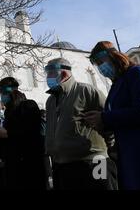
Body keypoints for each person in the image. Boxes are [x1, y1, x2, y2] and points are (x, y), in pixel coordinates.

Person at [84, 41, 140, 189]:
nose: (100, 68)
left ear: (113, 55)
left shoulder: (137, 74)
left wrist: (104, 118)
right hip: (129, 157)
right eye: (97, 65)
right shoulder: (116, 84)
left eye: (101, 62)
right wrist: (101, 123)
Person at [44, 58, 117, 190]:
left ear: (64, 74)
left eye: (50, 73)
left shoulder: (87, 91)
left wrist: (109, 145)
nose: (47, 77)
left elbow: (108, 120)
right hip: (63, 166)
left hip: (95, 161)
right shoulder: (51, 101)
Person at [0, 77, 47, 190]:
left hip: (29, 166)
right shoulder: (8, 111)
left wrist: (8, 134)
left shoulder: (28, 105)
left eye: (3, 93)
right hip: (12, 165)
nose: (2, 96)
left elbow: (32, 133)